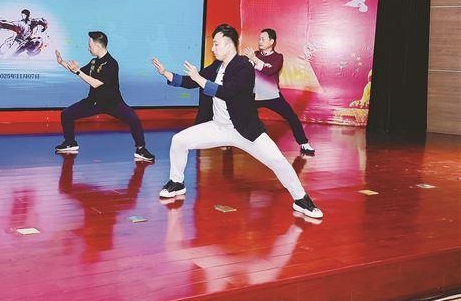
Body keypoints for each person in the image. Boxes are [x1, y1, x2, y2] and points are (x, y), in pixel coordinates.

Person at [152, 24, 322, 219]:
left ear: (228, 44)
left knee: (277, 160)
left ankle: (301, 199)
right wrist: (166, 74)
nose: (213, 48)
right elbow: (191, 81)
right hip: (218, 127)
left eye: (216, 44)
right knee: (179, 140)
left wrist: (199, 79)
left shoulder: (244, 67)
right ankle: (177, 182)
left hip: (244, 130)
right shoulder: (217, 67)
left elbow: (227, 92)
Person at [55, 31, 155, 162]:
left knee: (133, 119)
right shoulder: (93, 62)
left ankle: (141, 149)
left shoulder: (111, 64)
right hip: (93, 102)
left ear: (98, 46)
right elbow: (79, 71)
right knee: (66, 114)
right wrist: (62, 62)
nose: (88, 48)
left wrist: (78, 71)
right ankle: (70, 143)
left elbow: (96, 83)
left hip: (113, 103)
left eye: (90, 45)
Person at [242, 28, 316, 156]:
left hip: (272, 96)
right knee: (238, 113)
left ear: (271, 41)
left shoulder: (278, 57)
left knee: (292, 117)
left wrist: (254, 59)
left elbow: (269, 70)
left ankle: (304, 143)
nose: (260, 41)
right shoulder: (255, 54)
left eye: (263, 39)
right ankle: (229, 141)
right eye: (259, 39)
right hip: (254, 95)